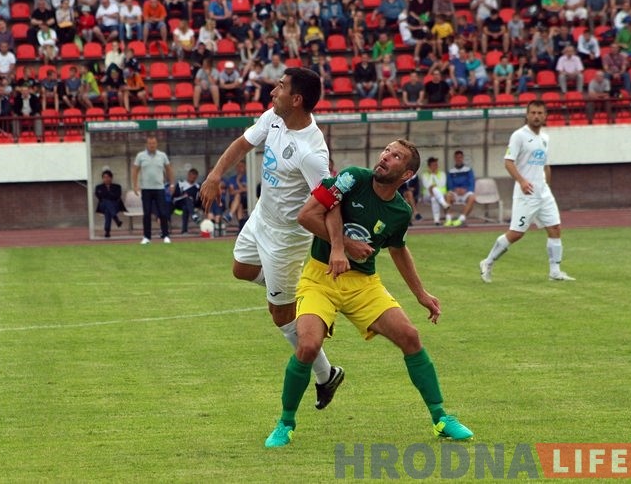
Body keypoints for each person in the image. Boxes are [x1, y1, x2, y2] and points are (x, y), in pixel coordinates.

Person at [263, 140, 474, 447]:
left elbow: (399, 250)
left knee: (410, 336)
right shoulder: (353, 178)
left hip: (363, 284)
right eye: (386, 151)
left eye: (396, 156)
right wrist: (344, 246)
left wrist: (421, 294)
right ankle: (285, 423)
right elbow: (307, 216)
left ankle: (441, 418)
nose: (386, 157)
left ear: (407, 174)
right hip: (320, 276)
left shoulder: (401, 211)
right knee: (308, 346)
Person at [199, 68, 344, 411]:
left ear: (296, 99)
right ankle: (293, 296)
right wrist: (215, 175)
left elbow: (330, 200)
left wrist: (338, 246)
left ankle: (326, 375)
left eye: (280, 86)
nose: (272, 91)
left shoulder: (311, 152)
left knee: (280, 316)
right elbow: (242, 143)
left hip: (287, 241)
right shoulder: (273, 118)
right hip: (261, 219)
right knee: (240, 269)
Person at [480, 100, 576, 283]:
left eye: (540, 113)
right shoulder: (519, 136)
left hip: (543, 193)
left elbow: (545, 165)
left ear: (545, 115)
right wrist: (522, 181)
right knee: (516, 233)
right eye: (533, 112)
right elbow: (508, 162)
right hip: (526, 193)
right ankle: (488, 261)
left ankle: (555, 271)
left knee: (555, 228)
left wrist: (546, 185)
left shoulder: (545, 138)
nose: (536, 116)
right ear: (527, 114)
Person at [132, 135, 175, 245]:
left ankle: (165, 235)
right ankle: (146, 237)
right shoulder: (140, 156)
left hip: (159, 188)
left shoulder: (162, 155)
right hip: (146, 189)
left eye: (154, 143)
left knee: (163, 212)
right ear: (147, 144)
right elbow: (135, 170)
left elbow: (169, 169)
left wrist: (172, 184)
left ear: (156, 144)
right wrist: (135, 185)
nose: (152, 145)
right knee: (146, 213)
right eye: (150, 143)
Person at [445, 150, 477, 227]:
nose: (458, 159)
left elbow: (472, 183)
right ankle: (448, 219)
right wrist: (455, 189)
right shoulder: (451, 171)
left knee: (472, 197)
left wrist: (466, 189)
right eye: (457, 157)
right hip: (455, 193)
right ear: (454, 159)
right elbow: (449, 184)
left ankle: (461, 219)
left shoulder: (468, 170)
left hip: (465, 192)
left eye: (460, 157)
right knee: (447, 196)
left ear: (462, 158)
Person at [420, 157, 455, 226]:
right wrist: (432, 175)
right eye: (433, 165)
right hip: (427, 195)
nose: (435, 167)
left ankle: (436, 221)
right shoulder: (424, 174)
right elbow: (427, 185)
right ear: (429, 166)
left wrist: (434, 176)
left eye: (436, 165)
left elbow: (441, 184)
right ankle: (444, 204)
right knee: (433, 189)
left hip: (440, 195)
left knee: (434, 198)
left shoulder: (442, 174)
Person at [94, 168, 125, 238]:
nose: (106, 179)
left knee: (108, 210)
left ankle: (107, 231)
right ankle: (116, 219)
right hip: (102, 206)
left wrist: (106, 194)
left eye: (108, 177)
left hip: (115, 205)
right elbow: (99, 196)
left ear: (111, 178)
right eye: (104, 177)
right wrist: (109, 195)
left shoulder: (117, 186)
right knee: (106, 202)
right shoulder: (98, 187)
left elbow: (117, 196)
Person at [172, 168, 201, 234]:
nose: (192, 178)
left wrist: (198, 207)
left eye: (194, 177)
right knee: (187, 198)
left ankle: (184, 230)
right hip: (178, 205)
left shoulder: (197, 186)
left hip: (190, 206)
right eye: (191, 176)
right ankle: (194, 216)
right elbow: (174, 197)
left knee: (186, 207)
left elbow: (199, 199)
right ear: (188, 175)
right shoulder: (181, 183)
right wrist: (184, 196)